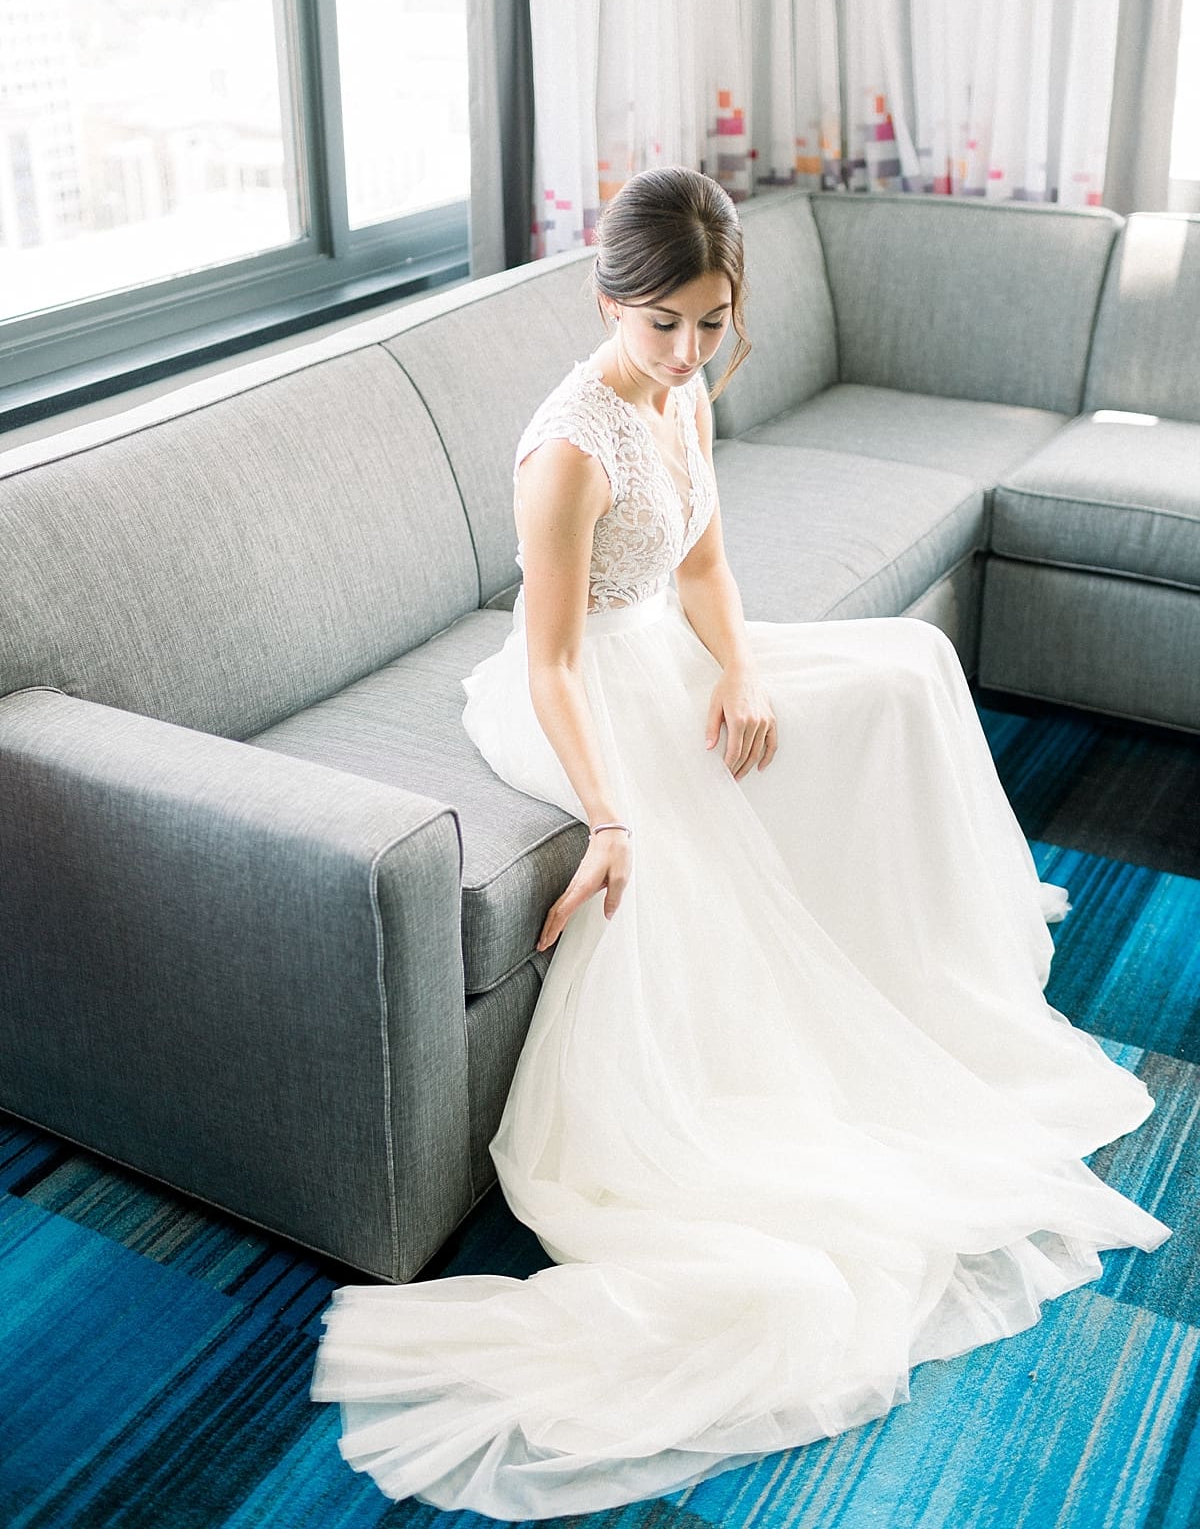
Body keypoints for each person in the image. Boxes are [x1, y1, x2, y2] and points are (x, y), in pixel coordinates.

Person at [310, 165, 1170, 1521]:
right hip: (578, 696)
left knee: (903, 676)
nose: (688, 348)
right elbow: (542, 663)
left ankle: (924, 951)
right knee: (686, 852)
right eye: (662, 325)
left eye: (710, 321)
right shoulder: (569, 449)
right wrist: (607, 815)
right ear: (607, 301)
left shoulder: (688, 394)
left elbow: (703, 559)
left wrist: (742, 671)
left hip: (666, 649)